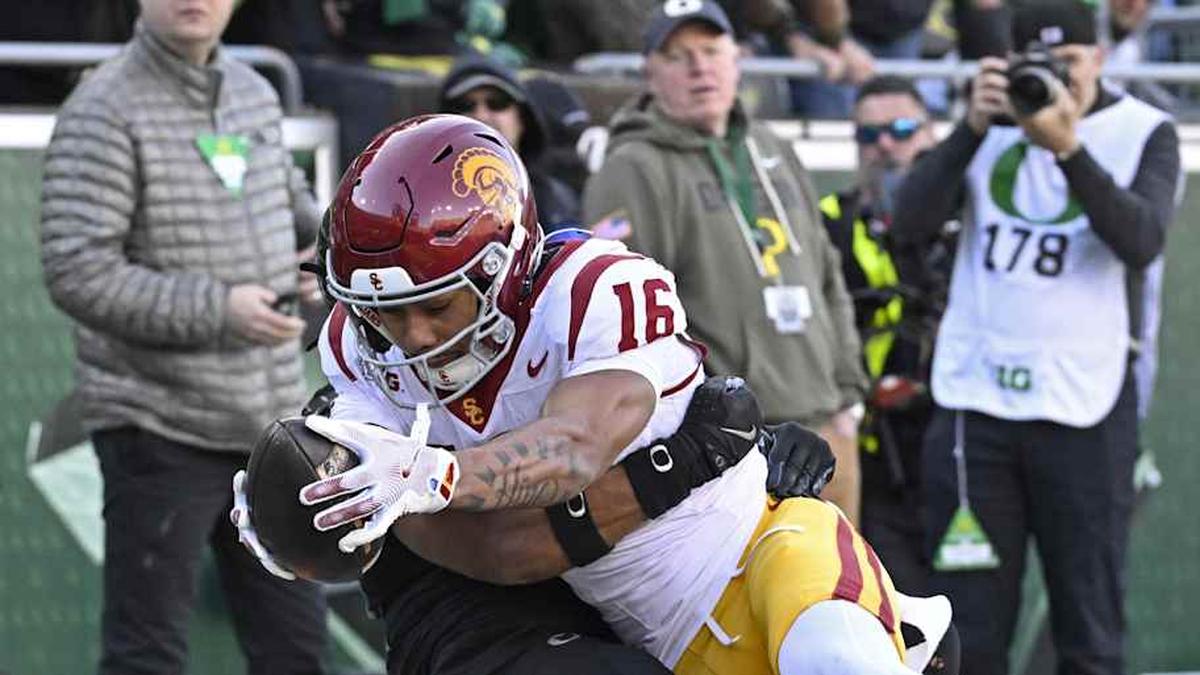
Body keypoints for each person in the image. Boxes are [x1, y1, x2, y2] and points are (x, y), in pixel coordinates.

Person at [238, 113, 926, 675]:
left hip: (758, 552)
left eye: (437, 304)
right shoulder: (358, 346)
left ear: (504, 266)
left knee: (832, 653)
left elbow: (575, 447)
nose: (411, 336)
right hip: (648, 636)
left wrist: (437, 473)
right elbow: (477, 544)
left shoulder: (594, 288)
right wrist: (309, 519)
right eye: (385, 311)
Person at [38, 0, 330, 672]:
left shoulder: (255, 93)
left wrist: (325, 254)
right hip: (156, 426)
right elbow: (76, 269)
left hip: (268, 431)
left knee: (296, 652)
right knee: (148, 656)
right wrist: (218, 308)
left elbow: (287, 198)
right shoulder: (102, 106)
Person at [890, 2, 1181, 673]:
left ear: (1100, 58)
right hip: (977, 405)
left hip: (1085, 406)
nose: (1056, 80)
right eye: (1038, 66)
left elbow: (1140, 240)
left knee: (1090, 629)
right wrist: (968, 128)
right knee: (969, 631)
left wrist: (1068, 147)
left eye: (1070, 64)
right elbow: (908, 221)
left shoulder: (1145, 130)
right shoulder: (989, 121)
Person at [583, 0, 870, 526]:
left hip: (826, 426)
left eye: (712, 50)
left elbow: (828, 274)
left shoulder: (772, 146)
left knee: (843, 601)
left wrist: (849, 400)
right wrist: (715, 431)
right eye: (678, 55)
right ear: (650, 73)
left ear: (737, 59)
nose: (699, 67)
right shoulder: (633, 167)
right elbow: (628, 327)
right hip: (735, 449)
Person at [819, 75, 949, 595]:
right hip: (876, 444)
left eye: (900, 129)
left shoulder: (971, 216)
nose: (885, 145)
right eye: (868, 136)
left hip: (967, 439)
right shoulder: (827, 221)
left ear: (932, 134)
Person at [439, 54, 582, 232]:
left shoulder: (556, 199)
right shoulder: (427, 199)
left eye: (497, 103)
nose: (482, 115)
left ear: (523, 118)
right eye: (466, 105)